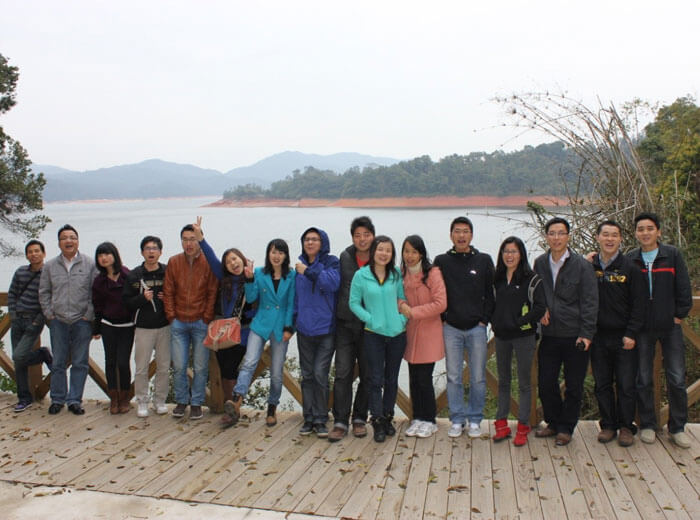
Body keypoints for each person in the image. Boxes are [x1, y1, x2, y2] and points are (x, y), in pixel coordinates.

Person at [628, 212, 693, 448]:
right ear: (635, 233)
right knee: (643, 378)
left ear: (658, 232)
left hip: (670, 327)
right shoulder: (631, 259)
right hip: (643, 328)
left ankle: (677, 427)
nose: (645, 232)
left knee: (676, 378)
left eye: (649, 228)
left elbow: (684, 288)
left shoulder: (672, 255)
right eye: (641, 229)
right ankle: (647, 424)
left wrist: (679, 315)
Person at [533, 217, 598, 446]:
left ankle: (566, 428)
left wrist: (587, 334)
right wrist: (540, 310)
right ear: (546, 236)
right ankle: (552, 421)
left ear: (568, 236)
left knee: (574, 384)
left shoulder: (582, 265)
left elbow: (591, 302)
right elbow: (536, 293)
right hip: (550, 334)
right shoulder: (540, 263)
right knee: (546, 381)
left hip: (575, 335)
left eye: (561, 233)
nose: (556, 237)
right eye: (552, 233)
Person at [434, 216, 495, 438]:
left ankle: (476, 419)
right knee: (453, 376)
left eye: (465, 231)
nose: (461, 235)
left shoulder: (484, 260)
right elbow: (435, 291)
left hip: (476, 328)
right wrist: (443, 318)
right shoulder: (441, 261)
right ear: (451, 235)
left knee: (478, 376)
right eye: (457, 231)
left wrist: (484, 320)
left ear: (471, 234)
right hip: (451, 327)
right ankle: (457, 419)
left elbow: (491, 293)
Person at [192, 217, 255, 429]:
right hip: (225, 333)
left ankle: (234, 406)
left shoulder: (254, 278)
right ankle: (232, 409)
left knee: (237, 371)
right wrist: (201, 239)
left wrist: (251, 279)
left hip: (245, 334)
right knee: (226, 371)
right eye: (229, 262)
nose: (233, 263)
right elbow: (211, 259)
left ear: (243, 259)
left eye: (235, 259)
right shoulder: (225, 280)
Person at [227, 239, 296, 426]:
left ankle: (272, 407)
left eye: (280, 252)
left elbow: (291, 304)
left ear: (285, 255)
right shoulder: (259, 273)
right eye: (273, 252)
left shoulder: (292, 276)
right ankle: (237, 398)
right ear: (268, 254)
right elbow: (251, 297)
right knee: (249, 361)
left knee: (276, 371)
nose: (276, 256)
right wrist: (248, 278)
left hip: (281, 326)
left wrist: (290, 327)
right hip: (260, 324)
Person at [588, 221, 645, 447]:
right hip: (598, 336)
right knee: (601, 383)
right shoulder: (589, 266)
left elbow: (639, 305)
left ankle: (626, 426)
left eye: (614, 235)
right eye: (605, 235)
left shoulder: (630, 267)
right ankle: (608, 425)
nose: (610, 239)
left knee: (626, 384)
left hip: (624, 337)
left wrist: (632, 333)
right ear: (598, 237)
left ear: (621, 239)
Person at [349, 235, 407, 443]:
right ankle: (377, 420)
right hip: (373, 334)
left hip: (397, 335)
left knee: (391, 379)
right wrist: (370, 319)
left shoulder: (396, 274)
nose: (384, 253)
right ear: (373, 251)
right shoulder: (361, 275)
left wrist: (402, 320)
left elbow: (402, 299)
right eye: (381, 249)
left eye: (388, 250)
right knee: (375, 379)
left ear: (392, 254)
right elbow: (354, 303)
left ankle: (388, 417)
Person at [490, 237, 546, 446]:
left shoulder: (532, 279)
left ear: (521, 254)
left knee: (524, 383)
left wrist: (519, 322)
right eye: (506, 251)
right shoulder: (497, 279)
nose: (509, 255)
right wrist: (494, 322)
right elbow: (490, 304)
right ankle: (501, 423)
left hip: (524, 336)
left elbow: (540, 307)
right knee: (503, 381)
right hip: (502, 336)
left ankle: (523, 425)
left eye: (513, 251)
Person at [39, 224, 97, 415]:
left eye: (72, 237)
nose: (69, 241)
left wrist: (88, 315)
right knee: (58, 362)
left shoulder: (89, 264)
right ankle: (57, 399)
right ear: (59, 243)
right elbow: (44, 292)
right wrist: (49, 313)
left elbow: (94, 292)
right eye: (64, 238)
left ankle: (74, 400)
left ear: (78, 240)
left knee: (80, 362)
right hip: (59, 321)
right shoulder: (50, 266)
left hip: (82, 321)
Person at [163, 224, 218, 420]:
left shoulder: (208, 263)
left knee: (201, 367)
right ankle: (181, 401)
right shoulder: (174, 262)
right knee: (179, 365)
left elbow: (212, 292)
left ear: (200, 240)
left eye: (193, 239)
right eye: (185, 239)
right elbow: (168, 291)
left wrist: (206, 316)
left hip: (200, 322)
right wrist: (171, 316)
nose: (189, 243)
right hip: (178, 322)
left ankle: (196, 403)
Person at [328, 216, 375, 442]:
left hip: (370, 327)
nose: (362, 239)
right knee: (343, 373)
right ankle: (339, 420)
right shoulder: (345, 256)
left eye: (366, 234)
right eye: (358, 235)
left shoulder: (380, 255)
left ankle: (359, 418)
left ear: (372, 236)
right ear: (352, 237)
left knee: (368, 374)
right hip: (345, 324)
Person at [295, 227, 340, 438]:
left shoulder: (332, 262)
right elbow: (295, 298)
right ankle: (309, 417)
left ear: (323, 242)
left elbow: (330, 283)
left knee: (320, 374)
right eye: (307, 239)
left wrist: (307, 271)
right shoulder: (298, 265)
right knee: (307, 375)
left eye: (315, 239)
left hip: (326, 329)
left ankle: (321, 418)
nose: (310, 242)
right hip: (304, 329)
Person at [399, 235, 446, 439]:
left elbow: (440, 303)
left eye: (414, 252)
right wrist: (402, 306)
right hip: (410, 333)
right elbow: (398, 298)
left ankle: (430, 420)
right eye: (406, 251)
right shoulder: (401, 274)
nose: (410, 256)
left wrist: (414, 312)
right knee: (414, 378)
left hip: (429, 333)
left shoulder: (432, 273)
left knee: (424, 379)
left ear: (421, 253)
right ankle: (417, 417)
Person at [123, 235, 171, 418]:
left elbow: (176, 294)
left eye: (154, 248)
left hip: (164, 326)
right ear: (142, 252)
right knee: (141, 367)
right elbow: (127, 302)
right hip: (143, 328)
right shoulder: (135, 275)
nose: (151, 252)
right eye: (147, 248)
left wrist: (168, 299)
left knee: (164, 367)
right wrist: (142, 298)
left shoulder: (167, 271)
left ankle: (160, 401)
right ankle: (142, 401)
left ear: (160, 251)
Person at [7, 240, 52, 412]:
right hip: (17, 320)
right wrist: (12, 315)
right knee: (18, 361)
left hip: (33, 321)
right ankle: (24, 398)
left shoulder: (48, 274)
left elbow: (49, 300)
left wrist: (38, 320)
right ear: (26, 255)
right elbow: (12, 294)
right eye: (30, 252)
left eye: (36, 251)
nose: (33, 254)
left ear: (43, 253)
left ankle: (42, 353)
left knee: (18, 356)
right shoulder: (20, 272)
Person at [92, 242, 134, 414]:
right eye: (100, 255)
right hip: (108, 325)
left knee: (123, 362)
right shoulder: (99, 281)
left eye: (107, 254)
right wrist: (96, 329)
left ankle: (125, 397)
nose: (104, 258)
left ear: (114, 255)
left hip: (127, 325)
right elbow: (97, 306)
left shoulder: (127, 275)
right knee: (110, 362)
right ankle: (114, 398)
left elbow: (136, 300)